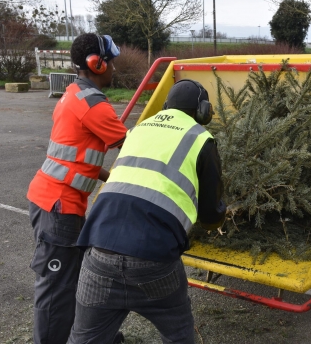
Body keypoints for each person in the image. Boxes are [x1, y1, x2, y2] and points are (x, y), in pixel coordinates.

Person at [67, 79, 227, 344]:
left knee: (85, 339)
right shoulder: (201, 139)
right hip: (154, 260)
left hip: (98, 251)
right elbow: (210, 214)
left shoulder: (137, 131)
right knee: (178, 334)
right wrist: (217, 220)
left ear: (166, 105)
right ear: (203, 111)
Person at [27, 33, 128, 344]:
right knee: (57, 287)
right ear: (96, 64)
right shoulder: (94, 104)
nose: (114, 70)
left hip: (51, 200)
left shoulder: (72, 94)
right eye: (110, 63)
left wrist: (107, 175)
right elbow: (133, 145)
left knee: (72, 280)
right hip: (60, 206)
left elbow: (74, 153)